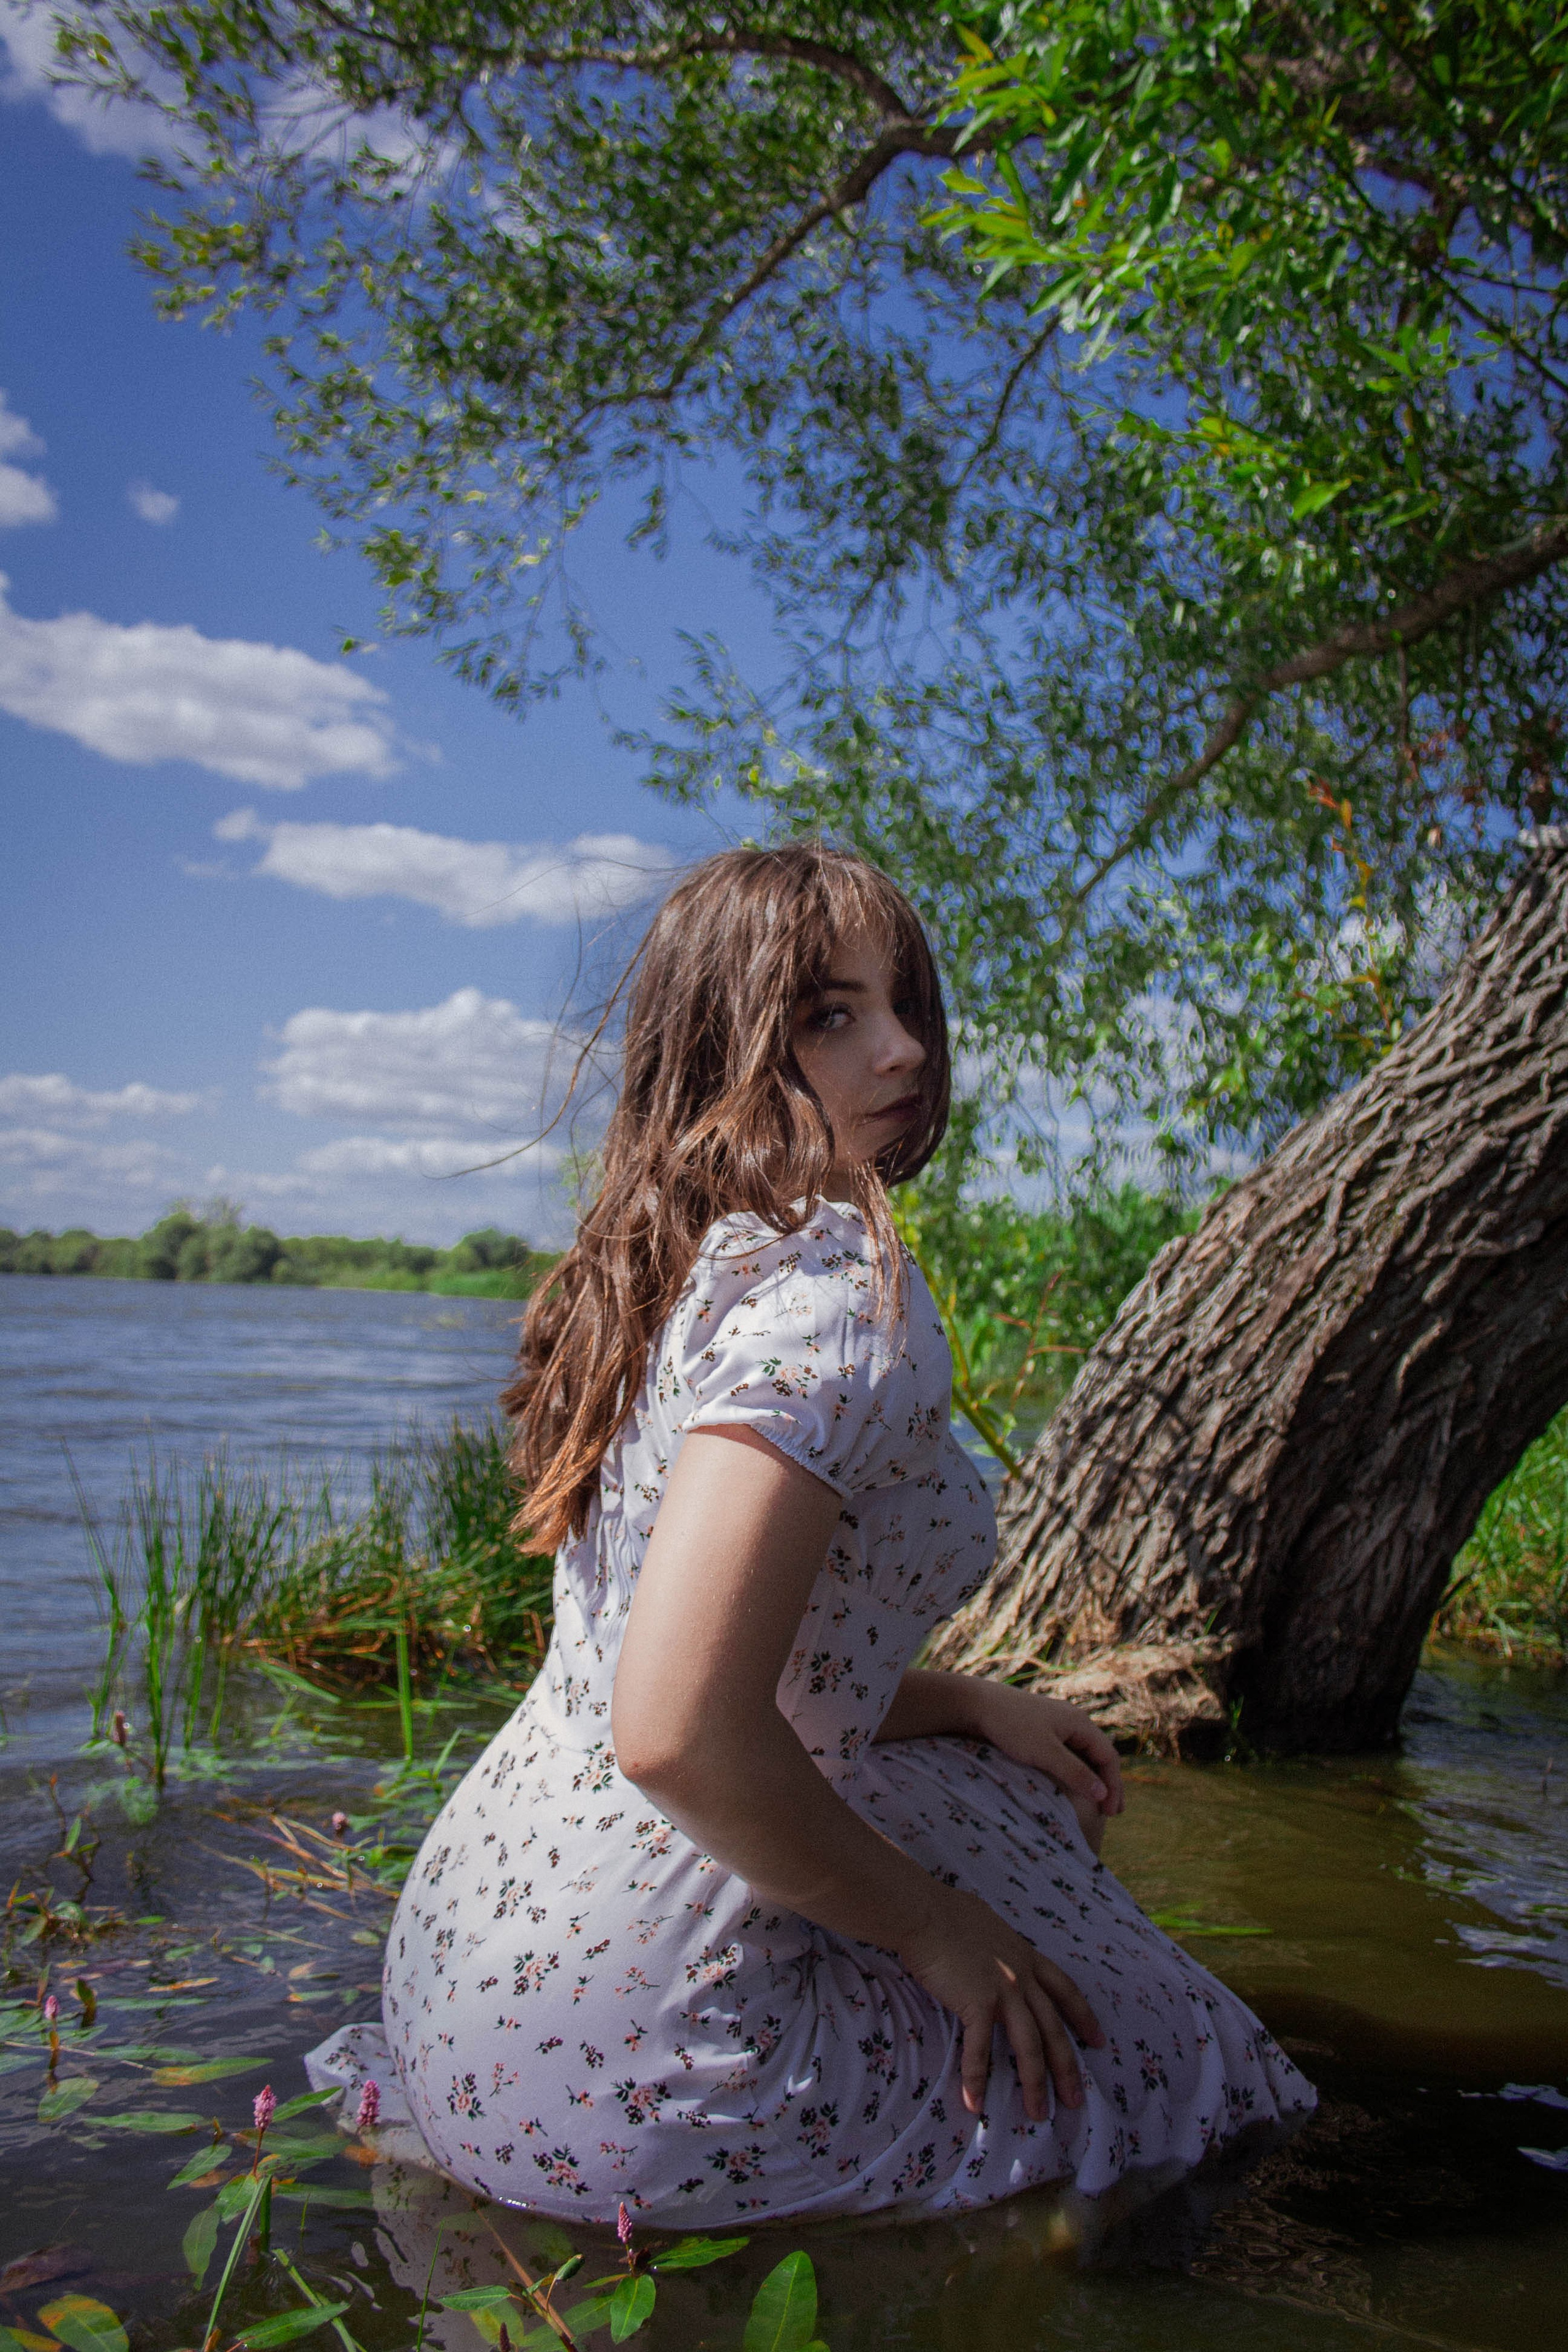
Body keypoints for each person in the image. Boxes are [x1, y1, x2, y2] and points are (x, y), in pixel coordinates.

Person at [308, 844, 1314, 2223]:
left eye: (902, 1000)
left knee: (992, 1796)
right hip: (646, 2062)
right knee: (1173, 2068)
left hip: (464, 1976)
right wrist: (932, 1931)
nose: (901, 1048)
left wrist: (959, 1701)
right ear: (723, 1043)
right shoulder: (833, 1300)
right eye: (828, 1014)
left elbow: (720, 1672)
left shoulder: (684, 1258)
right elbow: (673, 1728)